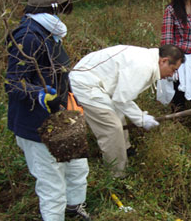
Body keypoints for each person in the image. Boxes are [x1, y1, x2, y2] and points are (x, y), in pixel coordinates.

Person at [5, 0, 91, 221]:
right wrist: (40, 94)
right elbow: (12, 82)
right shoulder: (28, 36)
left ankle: (73, 207)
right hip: (35, 125)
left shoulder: (51, 32)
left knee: (78, 166)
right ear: (54, 2)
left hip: (62, 116)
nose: (70, 0)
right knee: (52, 179)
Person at [69, 44, 184, 178]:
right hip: (84, 83)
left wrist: (139, 116)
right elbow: (121, 99)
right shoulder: (144, 66)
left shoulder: (148, 59)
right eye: (173, 69)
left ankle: (125, 148)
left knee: (118, 113)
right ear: (163, 60)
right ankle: (117, 174)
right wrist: (141, 118)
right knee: (112, 127)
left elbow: (121, 97)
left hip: (96, 79)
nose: (172, 74)